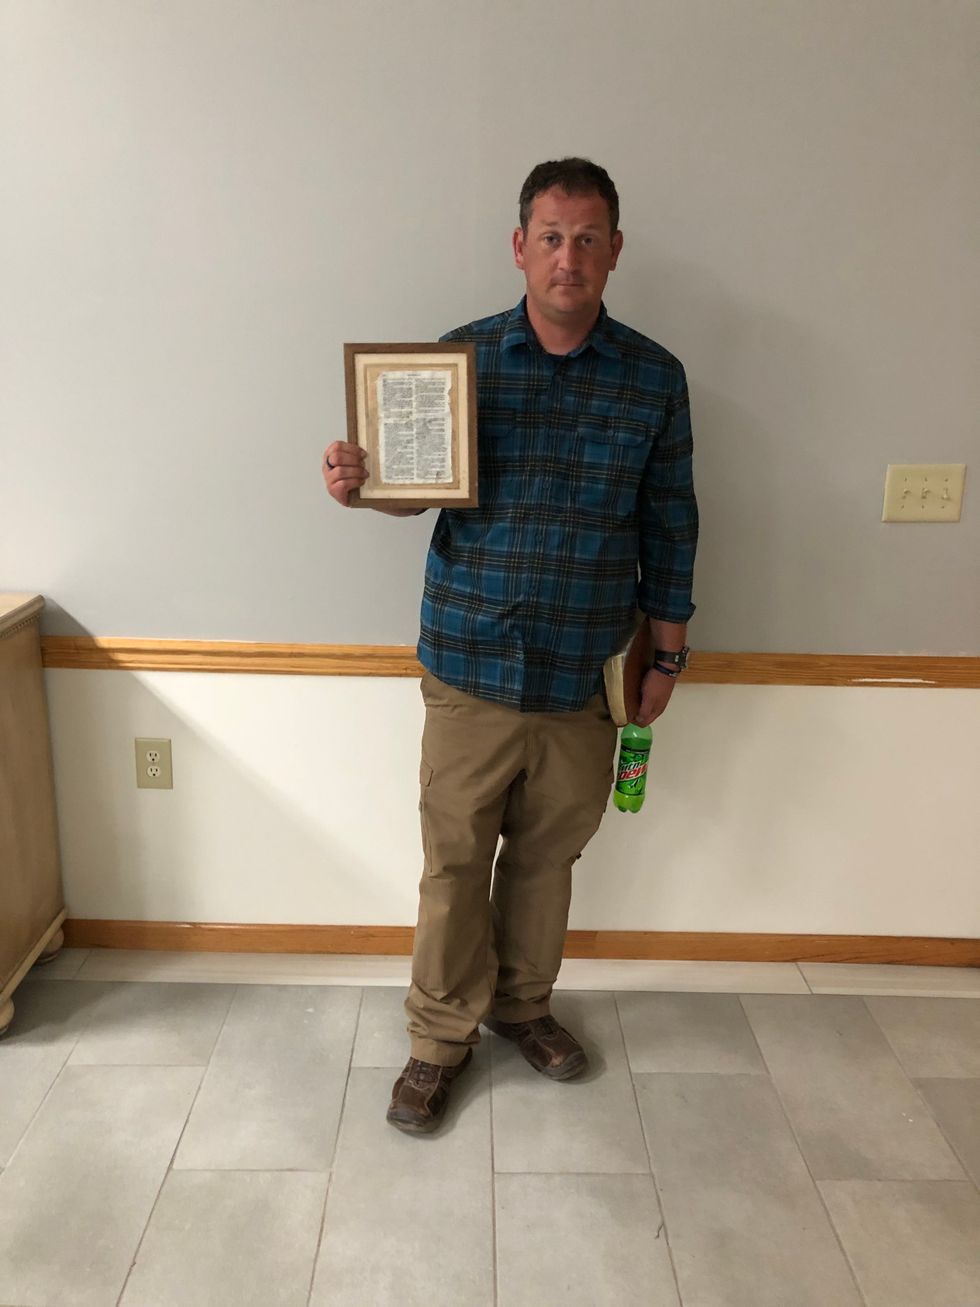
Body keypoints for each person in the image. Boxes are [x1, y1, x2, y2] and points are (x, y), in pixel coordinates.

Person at [322, 157, 698, 1133]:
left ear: (614, 250)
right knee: (453, 862)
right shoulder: (460, 361)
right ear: (517, 247)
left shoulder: (653, 379)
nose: (565, 256)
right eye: (548, 236)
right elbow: (409, 484)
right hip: (469, 663)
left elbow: (670, 520)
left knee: (545, 857)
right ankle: (436, 1038)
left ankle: (521, 1005)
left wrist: (665, 654)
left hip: (584, 670)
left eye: (585, 238)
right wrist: (361, 477)